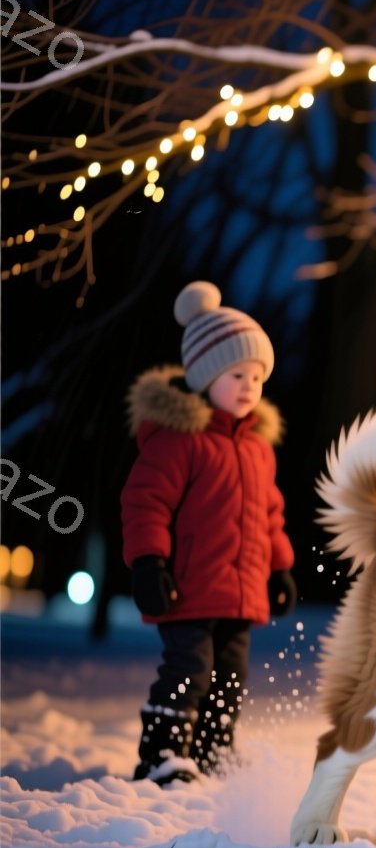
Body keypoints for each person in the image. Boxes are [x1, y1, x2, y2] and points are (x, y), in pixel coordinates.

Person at [121, 281, 297, 784]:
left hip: (239, 592)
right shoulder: (180, 441)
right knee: (188, 670)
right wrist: (150, 561)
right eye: (237, 373)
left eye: (258, 376)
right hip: (187, 588)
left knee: (229, 681)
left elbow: (270, 513)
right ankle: (162, 754)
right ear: (204, 377)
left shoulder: (258, 449)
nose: (249, 385)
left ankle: (213, 753)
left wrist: (279, 567)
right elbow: (144, 502)